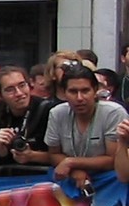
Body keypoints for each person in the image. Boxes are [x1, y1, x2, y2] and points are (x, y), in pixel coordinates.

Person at [45, 64, 126, 196]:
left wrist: (71, 162)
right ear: (64, 93)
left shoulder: (113, 112)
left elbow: (113, 160)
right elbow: (53, 154)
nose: (79, 98)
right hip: (70, 178)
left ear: (95, 91)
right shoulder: (57, 113)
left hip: (109, 180)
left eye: (85, 91)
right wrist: (74, 171)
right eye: (73, 91)